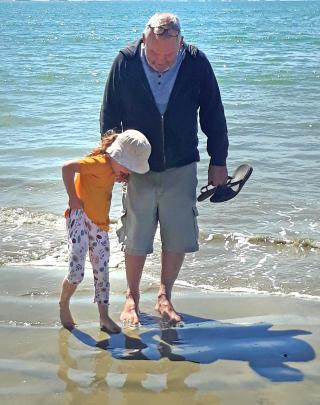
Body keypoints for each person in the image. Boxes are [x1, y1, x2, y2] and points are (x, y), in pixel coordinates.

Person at [100, 13, 229, 326]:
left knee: (177, 233)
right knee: (136, 233)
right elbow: (109, 113)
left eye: (168, 55)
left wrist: (219, 159)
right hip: (136, 167)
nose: (160, 61)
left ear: (180, 43)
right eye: (154, 53)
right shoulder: (126, 61)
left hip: (181, 162)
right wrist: (111, 161)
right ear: (144, 39)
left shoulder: (196, 62)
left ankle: (164, 296)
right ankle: (131, 297)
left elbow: (213, 112)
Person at [59, 129, 151, 333]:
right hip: (80, 217)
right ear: (117, 156)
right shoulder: (98, 163)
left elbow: (106, 183)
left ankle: (103, 317)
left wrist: (120, 176)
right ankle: (63, 304)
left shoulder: (114, 170)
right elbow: (66, 168)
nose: (127, 173)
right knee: (76, 270)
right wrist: (73, 198)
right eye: (127, 168)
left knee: (102, 271)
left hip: (100, 224)